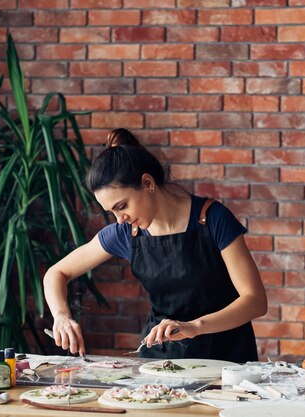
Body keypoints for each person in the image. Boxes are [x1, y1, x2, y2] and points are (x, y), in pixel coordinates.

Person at [43, 128, 267, 363]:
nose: (120, 219)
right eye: (112, 212)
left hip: (226, 358)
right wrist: (61, 316)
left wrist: (194, 326)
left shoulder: (212, 218)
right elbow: (56, 273)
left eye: (122, 206)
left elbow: (255, 300)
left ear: (148, 183)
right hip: (161, 359)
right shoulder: (125, 233)